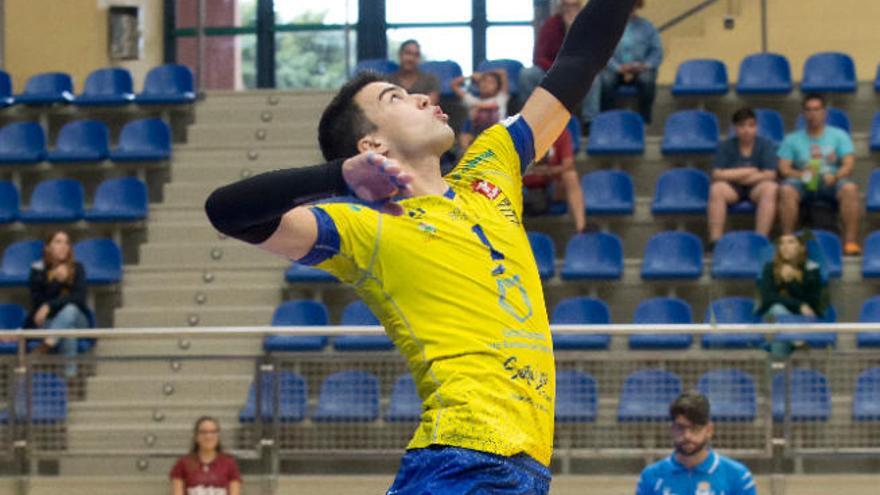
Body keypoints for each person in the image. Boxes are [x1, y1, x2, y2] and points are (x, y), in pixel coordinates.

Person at [205, 0, 636, 491]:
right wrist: (337, 177)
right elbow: (226, 211)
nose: (425, 98)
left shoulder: (490, 168)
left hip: (523, 467)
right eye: (397, 98)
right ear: (371, 146)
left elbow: (580, 58)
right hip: (462, 460)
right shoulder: (366, 226)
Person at [777, 93, 861, 255]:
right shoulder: (791, 139)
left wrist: (836, 176)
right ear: (803, 114)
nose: (812, 114)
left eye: (816, 110)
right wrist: (801, 174)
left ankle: (850, 242)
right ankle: (787, 242)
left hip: (830, 181)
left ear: (824, 113)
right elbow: (784, 169)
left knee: (850, 188)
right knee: (786, 189)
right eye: (808, 110)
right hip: (803, 181)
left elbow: (849, 165)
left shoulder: (839, 135)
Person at [636, 392, 757, 495]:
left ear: (709, 430)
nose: (687, 435)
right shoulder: (650, 476)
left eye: (695, 428)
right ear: (671, 429)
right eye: (680, 428)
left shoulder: (737, 476)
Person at [519, 0, 600, 131]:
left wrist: (573, 29)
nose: (570, 10)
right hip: (552, 70)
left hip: (578, 71)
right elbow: (539, 57)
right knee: (527, 74)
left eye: (573, 6)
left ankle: (589, 122)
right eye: (566, 6)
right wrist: (557, 71)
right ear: (561, 8)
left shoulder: (588, 25)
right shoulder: (551, 24)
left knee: (594, 78)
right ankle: (528, 119)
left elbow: (590, 54)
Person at [707, 108, 779, 250]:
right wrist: (748, 171)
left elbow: (770, 174)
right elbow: (717, 174)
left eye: (751, 125)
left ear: (756, 127)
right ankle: (715, 241)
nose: (746, 130)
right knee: (716, 189)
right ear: (735, 128)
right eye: (742, 126)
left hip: (756, 188)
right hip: (732, 189)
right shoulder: (726, 145)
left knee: (771, 188)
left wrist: (734, 175)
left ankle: (761, 240)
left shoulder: (765, 145)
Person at [25, 230, 89, 378]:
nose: (63, 246)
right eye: (58, 242)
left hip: (78, 319)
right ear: (48, 247)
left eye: (66, 243)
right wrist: (56, 281)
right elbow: (37, 302)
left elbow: (79, 298)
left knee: (71, 310)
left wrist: (49, 306)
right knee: (68, 332)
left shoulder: (78, 268)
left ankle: (46, 345)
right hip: (49, 322)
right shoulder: (38, 270)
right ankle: (70, 379)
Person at [599, 0, 662, 124]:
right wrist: (617, 68)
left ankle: (644, 121)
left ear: (637, 6)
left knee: (648, 81)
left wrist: (646, 65)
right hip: (616, 69)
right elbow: (603, 52)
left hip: (640, 69)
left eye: (632, 6)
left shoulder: (647, 27)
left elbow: (657, 51)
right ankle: (606, 121)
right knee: (605, 81)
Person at [523, 127, 587, 232]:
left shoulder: (561, 133)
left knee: (571, 176)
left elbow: (568, 165)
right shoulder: (519, 134)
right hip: (522, 188)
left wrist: (548, 171)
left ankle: (581, 228)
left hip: (551, 185)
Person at [756, 234, 827, 321]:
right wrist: (799, 305)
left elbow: (812, 303)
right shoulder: (770, 267)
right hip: (776, 318)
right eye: (781, 243)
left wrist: (791, 281)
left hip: (804, 317)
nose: (785, 247)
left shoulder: (811, 269)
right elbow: (768, 298)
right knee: (777, 308)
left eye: (791, 242)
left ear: (802, 247)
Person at [171, 416, 241, 495]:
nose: (208, 436)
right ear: (196, 437)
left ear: (218, 436)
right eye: (203, 432)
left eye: (213, 432)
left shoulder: (229, 463)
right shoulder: (183, 463)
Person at [451, 69, 509, 150]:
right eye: (483, 81)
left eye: (491, 82)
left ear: (497, 87)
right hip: (477, 139)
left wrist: (482, 75)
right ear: (478, 84)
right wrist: (470, 76)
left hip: (497, 138)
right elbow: (454, 84)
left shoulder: (501, 98)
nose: (486, 84)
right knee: (463, 138)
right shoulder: (472, 100)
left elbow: (503, 73)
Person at [388, 39, 441, 106]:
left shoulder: (431, 80)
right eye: (408, 53)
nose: (411, 58)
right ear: (400, 54)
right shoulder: (387, 81)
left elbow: (430, 106)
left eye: (416, 55)